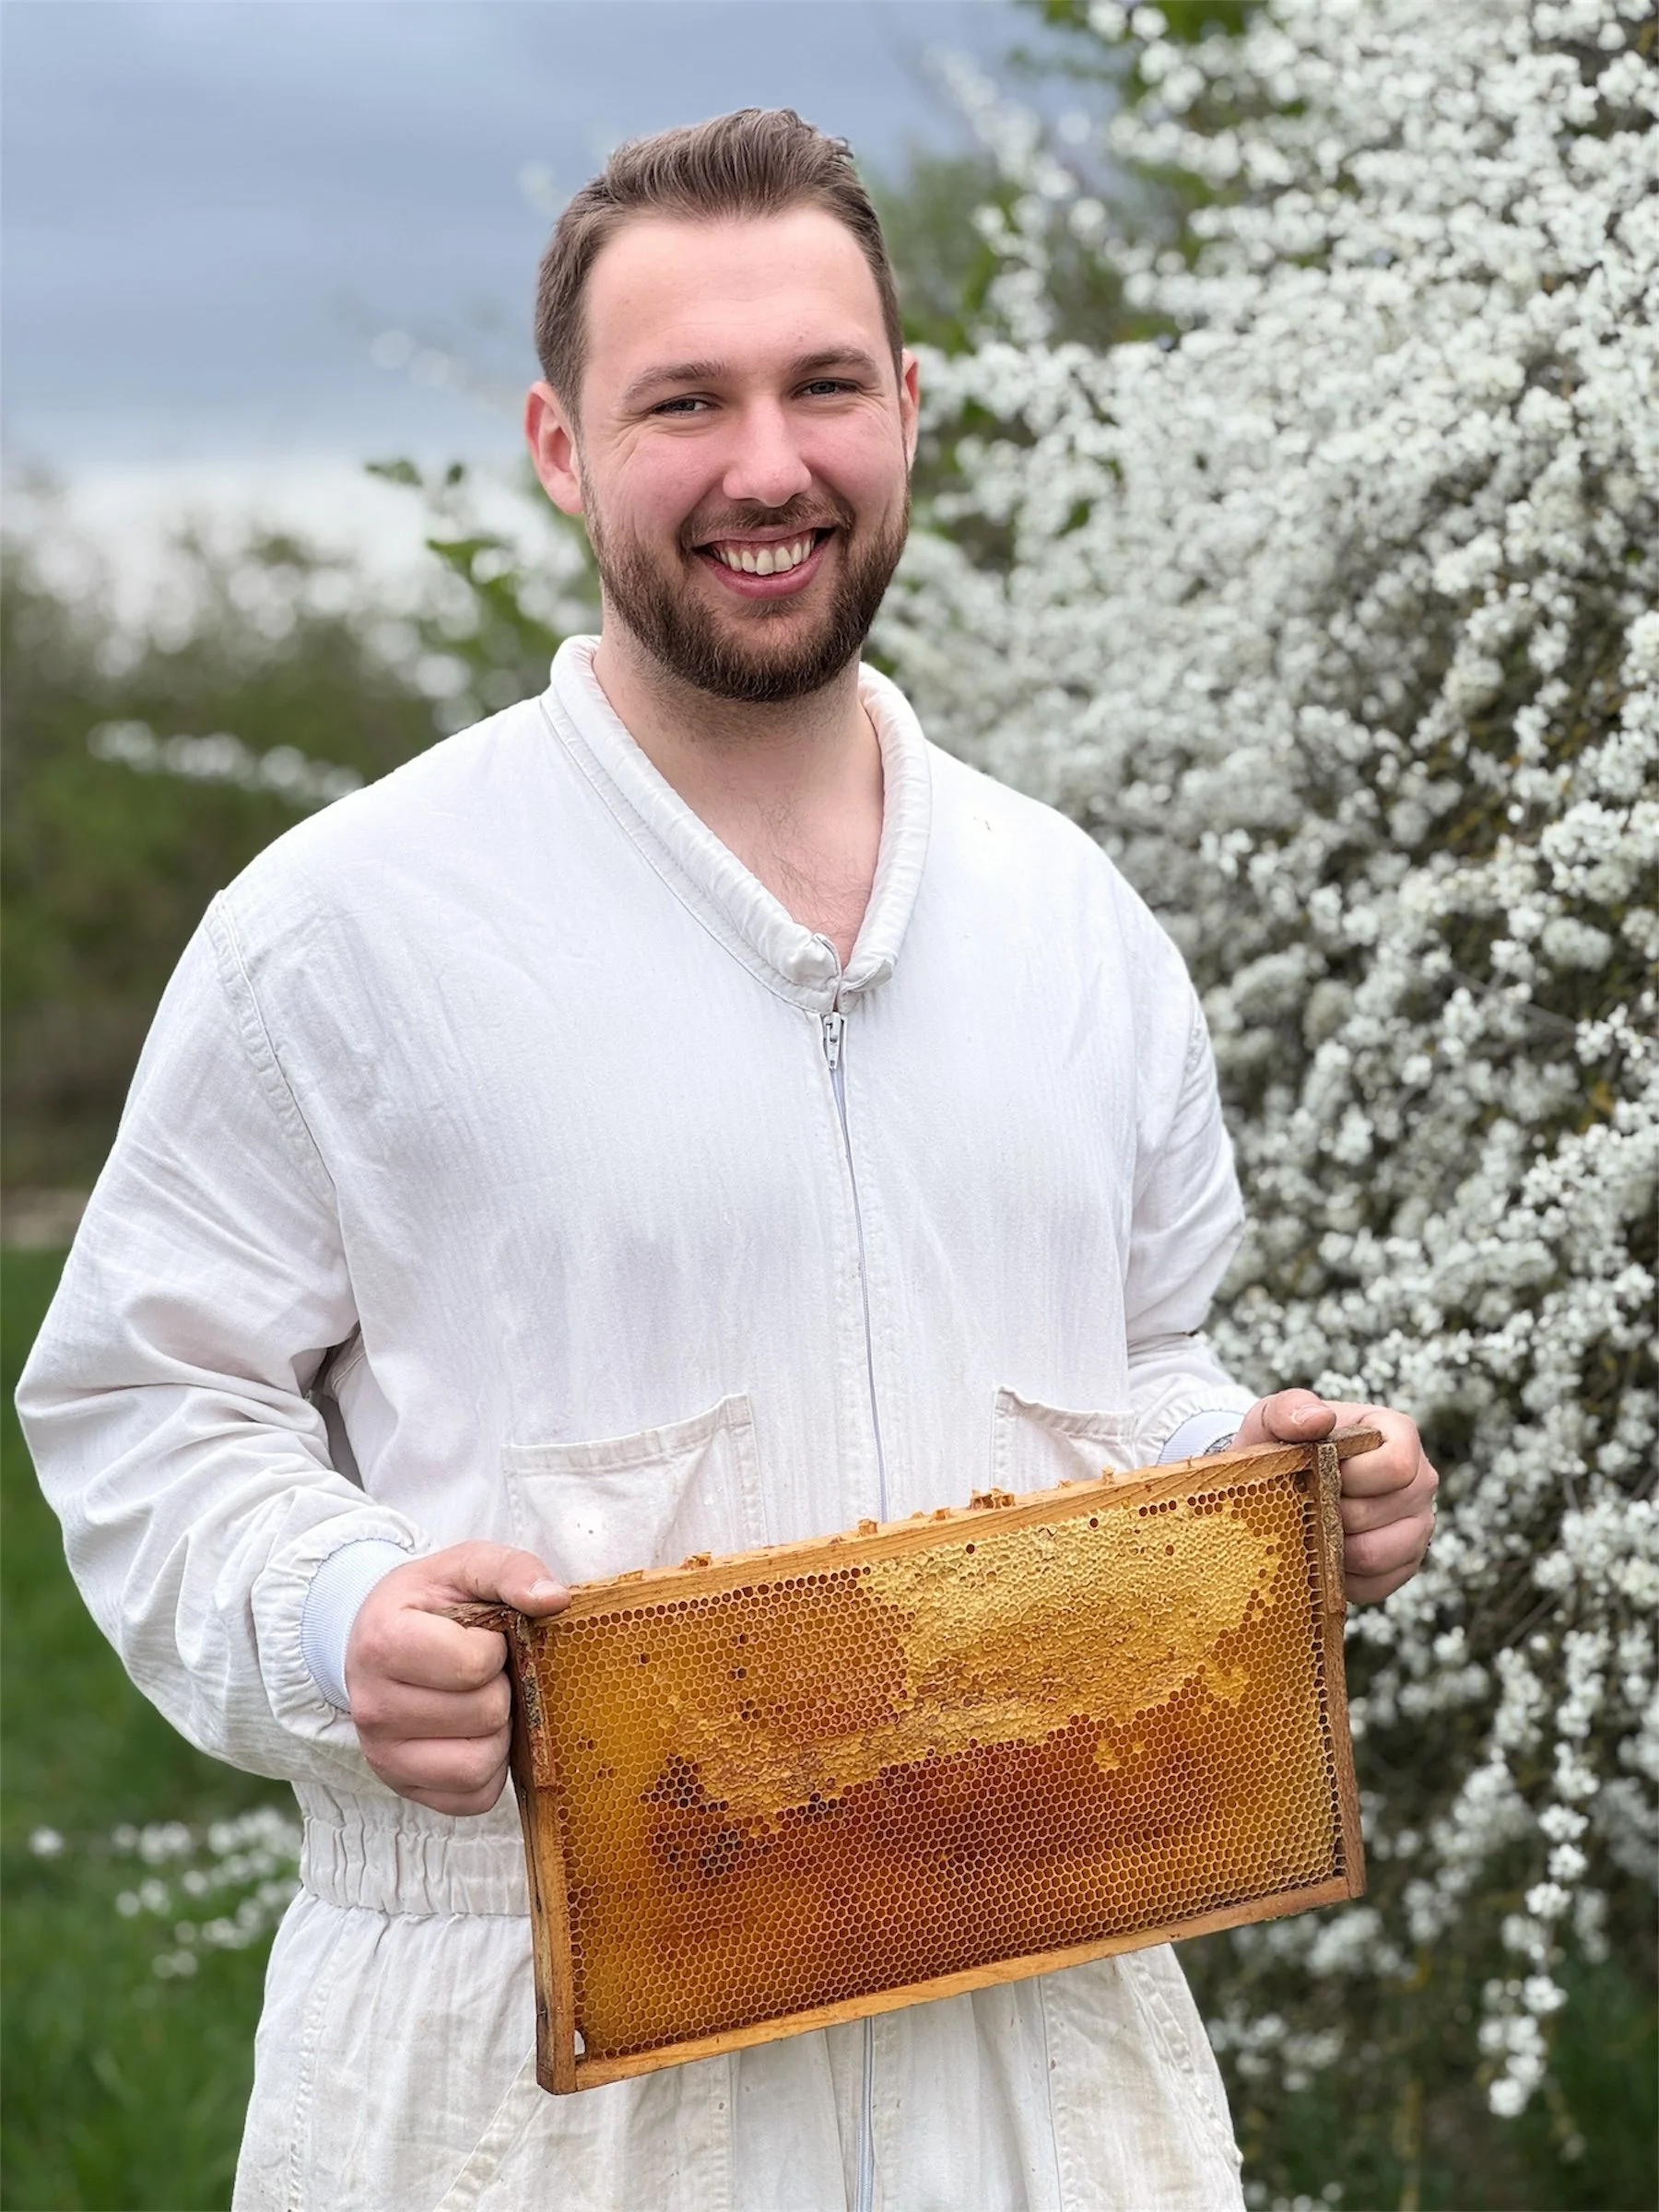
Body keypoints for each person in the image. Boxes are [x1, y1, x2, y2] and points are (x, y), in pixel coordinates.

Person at [19, 109, 1436, 2212]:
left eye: (823, 387)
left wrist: (1271, 1477)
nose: (767, 466)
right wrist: (333, 1616)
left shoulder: (1074, 926)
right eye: (685, 400)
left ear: (911, 412)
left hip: (1033, 2036)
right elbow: (146, 1403)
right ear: (561, 447)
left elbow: (1114, 1367)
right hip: (535, 2081)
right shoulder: (349, 930)